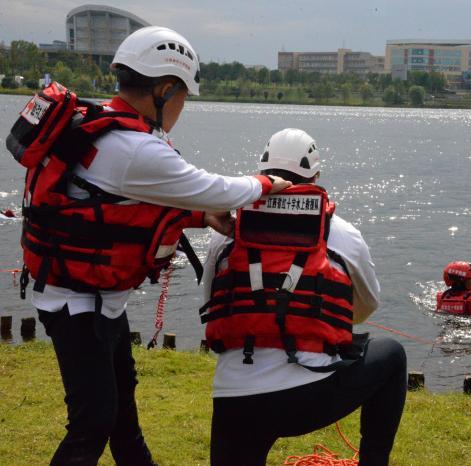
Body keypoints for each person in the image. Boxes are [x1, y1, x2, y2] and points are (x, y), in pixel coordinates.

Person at [9, 26, 290, 466]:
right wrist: (266, 183)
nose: (182, 108)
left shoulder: (99, 124)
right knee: (93, 422)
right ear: (163, 89)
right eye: (183, 97)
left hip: (92, 297)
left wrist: (201, 217)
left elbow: (116, 205)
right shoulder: (135, 147)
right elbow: (214, 188)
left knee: (122, 413)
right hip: (77, 302)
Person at [201, 128, 407, 466]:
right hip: (309, 399)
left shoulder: (226, 230)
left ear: (262, 173)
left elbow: (213, 302)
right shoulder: (343, 233)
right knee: (393, 355)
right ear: (316, 177)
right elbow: (364, 309)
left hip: (232, 400)